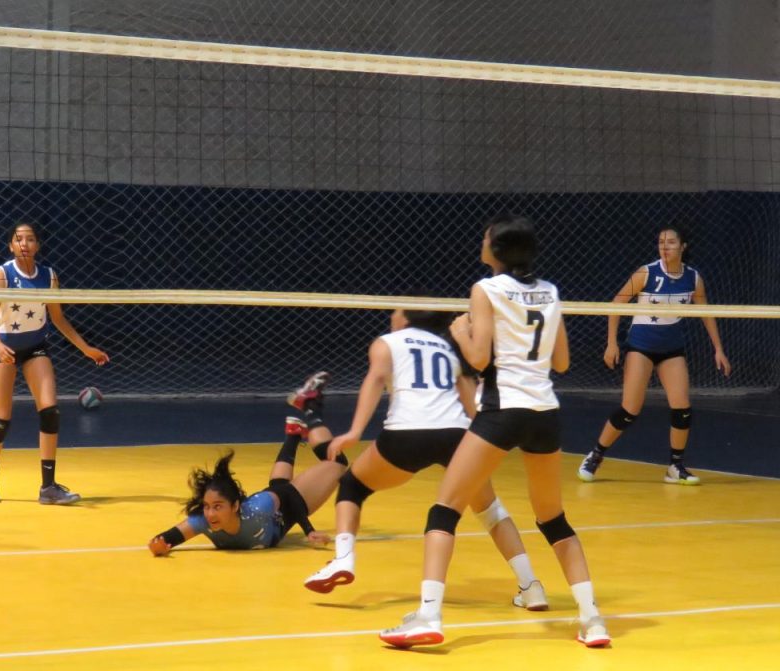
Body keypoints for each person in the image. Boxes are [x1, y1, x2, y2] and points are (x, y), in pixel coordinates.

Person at [379, 214, 610, 649]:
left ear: (498, 251)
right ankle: (593, 619)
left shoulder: (484, 290)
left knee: (445, 508)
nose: (481, 241)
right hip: (544, 413)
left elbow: (480, 358)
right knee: (553, 519)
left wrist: (459, 332)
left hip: (503, 411)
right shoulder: (551, 292)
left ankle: (428, 614)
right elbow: (561, 363)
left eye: (486, 238)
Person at [301, 309, 548, 611]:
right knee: (491, 511)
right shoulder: (448, 348)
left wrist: (354, 431)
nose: (392, 315)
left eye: (396, 311)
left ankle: (343, 559)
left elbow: (376, 378)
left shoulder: (387, 342)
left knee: (353, 485)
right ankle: (531, 587)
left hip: (406, 435)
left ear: (405, 318)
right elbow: (472, 405)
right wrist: (486, 446)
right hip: (456, 435)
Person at [579, 225, 731, 485]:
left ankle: (675, 466)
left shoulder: (693, 278)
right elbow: (615, 304)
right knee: (630, 409)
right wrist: (611, 343)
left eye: (671, 242)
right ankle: (596, 454)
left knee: (682, 408)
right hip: (641, 345)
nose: (665, 246)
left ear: (683, 247)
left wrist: (718, 349)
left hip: (671, 348)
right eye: (661, 242)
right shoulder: (646, 272)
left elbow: (707, 313)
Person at [0, 222, 109, 504]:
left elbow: (58, 319)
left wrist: (85, 348)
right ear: (10, 245)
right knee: (1, 418)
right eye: (18, 239)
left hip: (35, 347)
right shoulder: (2, 273)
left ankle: (48, 487)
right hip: (4, 348)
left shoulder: (48, 276)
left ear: (38, 245)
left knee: (50, 411)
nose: (24, 243)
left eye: (30, 239)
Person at [147, 382, 349, 554]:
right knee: (277, 486)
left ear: (235, 506)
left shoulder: (257, 509)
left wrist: (308, 530)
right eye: (207, 506)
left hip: (292, 504)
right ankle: (293, 435)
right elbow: (169, 537)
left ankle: (310, 408)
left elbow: (286, 493)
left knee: (337, 463)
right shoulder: (206, 521)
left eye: (218, 506)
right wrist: (161, 544)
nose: (210, 514)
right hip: (275, 507)